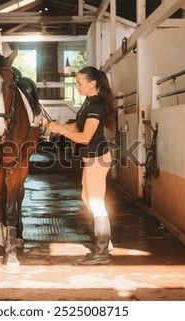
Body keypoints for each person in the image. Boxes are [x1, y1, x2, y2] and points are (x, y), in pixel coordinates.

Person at [45, 66, 116, 265]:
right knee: (87, 197)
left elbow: (84, 138)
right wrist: (54, 126)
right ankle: (105, 243)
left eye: (79, 83)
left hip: (97, 158)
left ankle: (102, 251)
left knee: (96, 202)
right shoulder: (88, 103)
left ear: (92, 83)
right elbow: (77, 127)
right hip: (91, 158)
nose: (76, 86)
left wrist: (59, 129)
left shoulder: (97, 106)